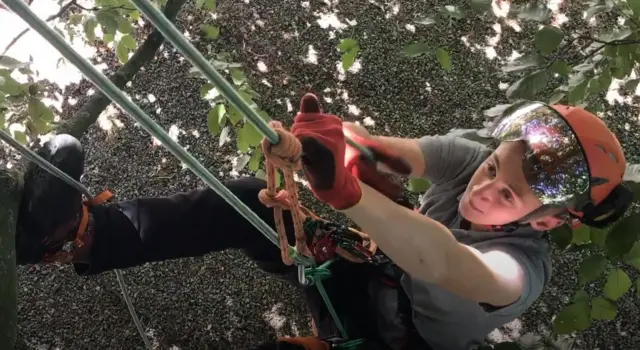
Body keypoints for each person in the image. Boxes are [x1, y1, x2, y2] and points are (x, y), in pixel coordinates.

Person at [16, 94, 633, 350]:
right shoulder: (477, 160)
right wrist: (333, 144)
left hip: (393, 340)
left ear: (549, 222)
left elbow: (440, 259)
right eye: (496, 165)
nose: (488, 187)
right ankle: (76, 233)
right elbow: (400, 153)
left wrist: (344, 190)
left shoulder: (520, 271)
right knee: (249, 201)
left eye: (513, 194)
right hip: (360, 271)